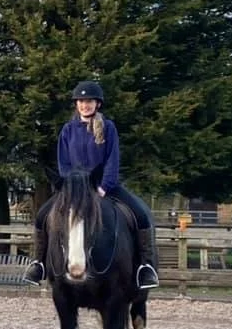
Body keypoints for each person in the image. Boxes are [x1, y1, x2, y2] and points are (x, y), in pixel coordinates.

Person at [22, 81, 159, 290]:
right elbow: (64, 164)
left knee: (140, 213)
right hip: (74, 191)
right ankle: (39, 263)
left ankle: (145, 267)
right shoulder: (67, 130)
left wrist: (104, 186)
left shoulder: (108, 127)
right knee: (42, 215)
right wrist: (71, 189)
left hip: (105, 187)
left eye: (89, 101)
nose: (85, 105)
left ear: (97, 104)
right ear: (76, 104)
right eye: (81, 101)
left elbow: (113, 160)